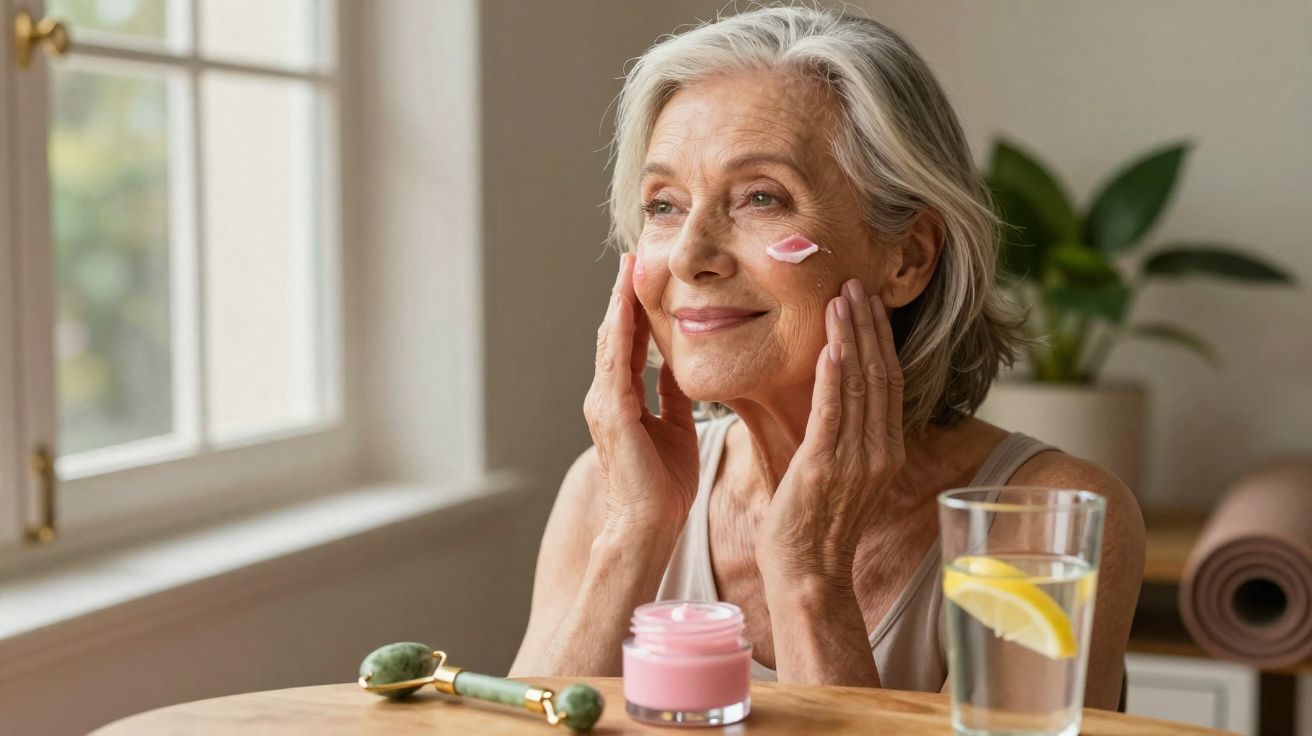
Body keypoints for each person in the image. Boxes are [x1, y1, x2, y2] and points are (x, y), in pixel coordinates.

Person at [510, 5, 1144, 709]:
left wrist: (810, 574)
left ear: (907, 257)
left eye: (761, 198)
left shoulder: (1045, 522)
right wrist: (633, 535)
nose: (689, 256)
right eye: (663, 205)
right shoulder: (606, 492)